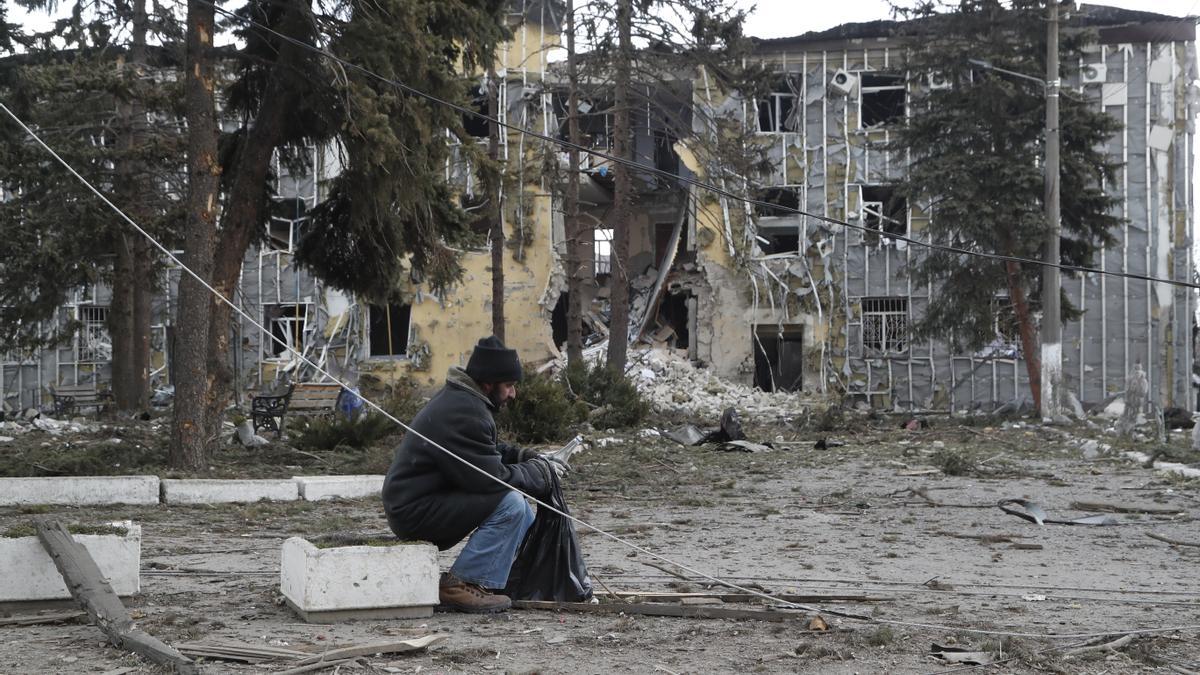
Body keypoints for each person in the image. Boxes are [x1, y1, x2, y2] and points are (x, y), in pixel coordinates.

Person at [382, 336, 565, 613]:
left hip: (422, 501)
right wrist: (538, 473)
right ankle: (462, 584)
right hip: (414, 512)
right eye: (509, 386)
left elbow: (484, 451)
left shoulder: (464, 401)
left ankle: (491, 581)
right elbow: (489, 479)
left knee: (523, 512)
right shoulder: (466, 412)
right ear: (489, 384)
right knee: (511, 505)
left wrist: (523, 456)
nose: (513, 394)